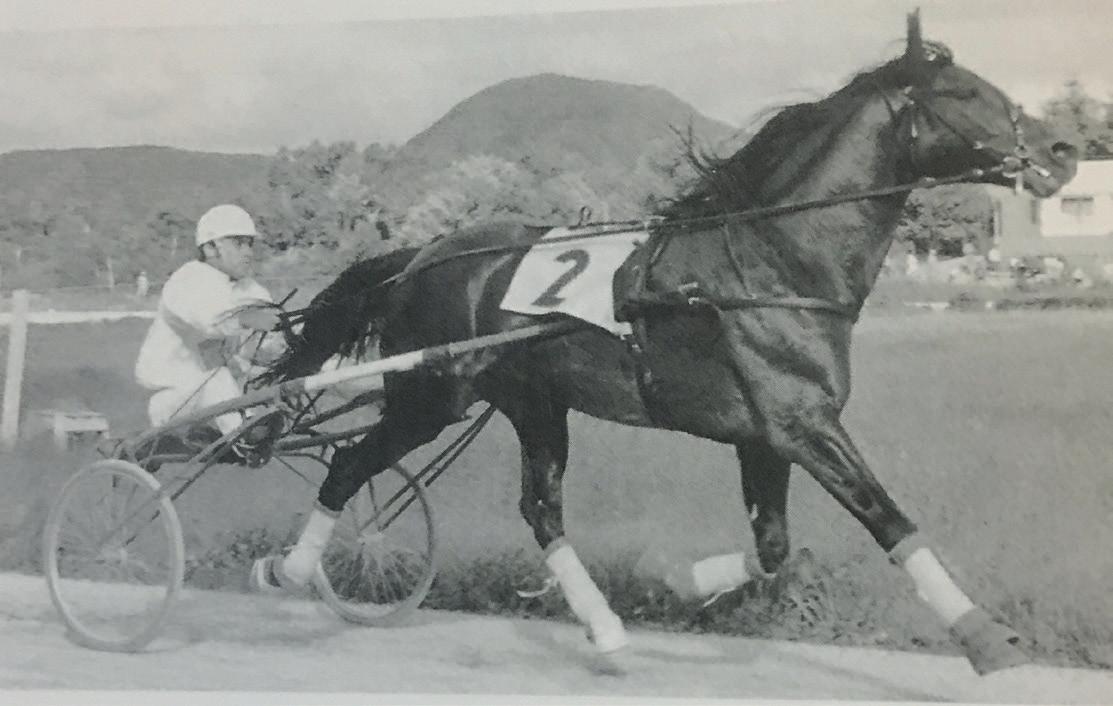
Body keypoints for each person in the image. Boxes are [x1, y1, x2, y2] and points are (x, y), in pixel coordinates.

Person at [134, 204, 282, 457]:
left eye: (250, 243)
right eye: (238, 243)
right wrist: (249, 318)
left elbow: (259, 348)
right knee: (216, 377)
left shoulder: (250, 289)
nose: (248, 251)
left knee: (259, 377)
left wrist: (280, 342)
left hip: (224, 400)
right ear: (210, 248)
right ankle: (245, 438)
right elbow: (209, 321)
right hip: (173, 399)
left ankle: (251, 426)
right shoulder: (187, 281)